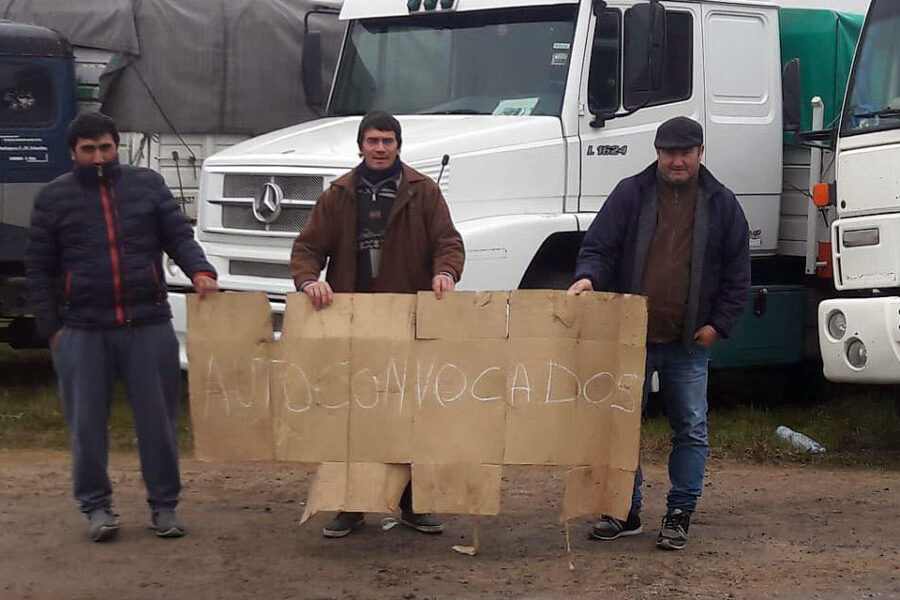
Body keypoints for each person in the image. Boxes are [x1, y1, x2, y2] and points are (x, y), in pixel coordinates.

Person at [26, 112, 219, 542]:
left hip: (147, 323)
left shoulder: (147, 185)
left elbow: (177, 235)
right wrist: (52, 329)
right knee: (87, 427)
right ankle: (97, 507)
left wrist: (201, 271)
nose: (98, 157)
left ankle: (164, 507)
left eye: (106, 148)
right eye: (88, 150)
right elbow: (38, 269)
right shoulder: (53, 198)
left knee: (158, 424)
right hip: (81, 329)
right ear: (72, 153)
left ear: (117, 147)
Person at [569, 116, 750, 551]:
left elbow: (737, 273)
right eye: (668, 151)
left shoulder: (722, 204)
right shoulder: (631, 194)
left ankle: (679, 512)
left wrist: (719, 325)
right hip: (631, 337)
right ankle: (623, 510)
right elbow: (599, 247)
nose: (676, 160)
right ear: (657, 152)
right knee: (622, 425)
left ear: (700, 153)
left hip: (689, 341)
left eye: (685, 152)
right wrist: (588, 278)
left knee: (690, 427)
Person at [291, 110, 465, 538]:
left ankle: (412, 504)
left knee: (407, 416)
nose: (381, 148)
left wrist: (446, 273)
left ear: (399, 146)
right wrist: (310, 280)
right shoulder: (338, 195)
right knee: (351, 416)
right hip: (351, 323)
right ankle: (351, 505)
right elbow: (308, 247)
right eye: (373, 141)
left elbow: (449, 241)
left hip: (406, 321)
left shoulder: (424, 192)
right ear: (361, 146)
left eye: (388, 140)